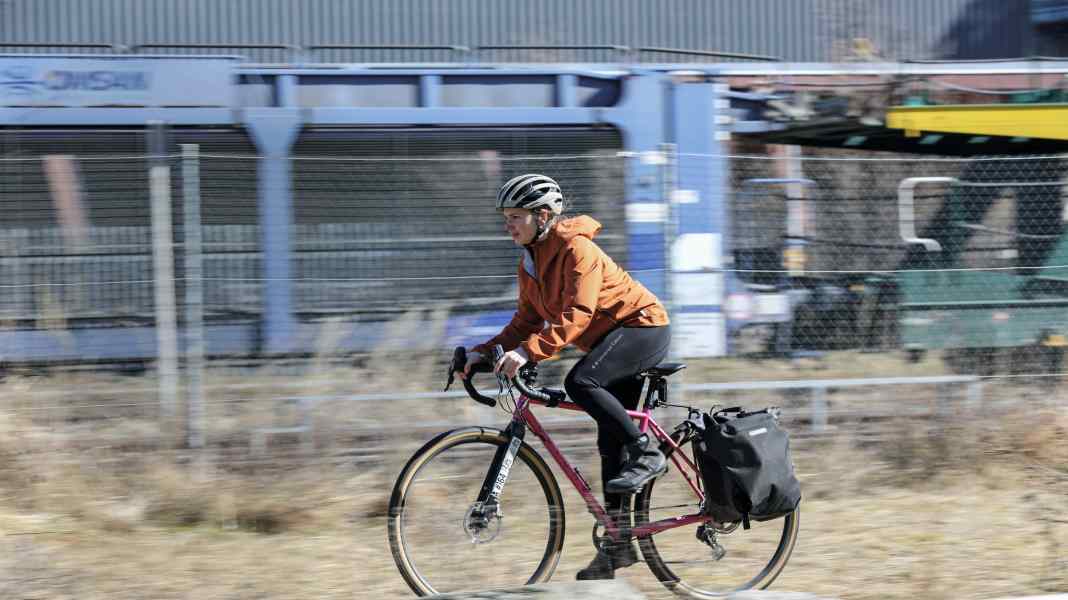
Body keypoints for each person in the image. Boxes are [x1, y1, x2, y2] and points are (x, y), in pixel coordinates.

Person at [458, 173, 672, 580]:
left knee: (580, 383)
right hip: (608, 343)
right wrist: (482, 353)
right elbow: (524, 321)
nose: (508, 225)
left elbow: (579, 313)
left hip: (642, 328)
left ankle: (647, 451)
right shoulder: (530, 261)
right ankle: (618, 547)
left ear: (542, 216)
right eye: (505, 217)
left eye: (515, 216)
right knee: (610, 446)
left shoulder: (578, 249)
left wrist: (529, 352)